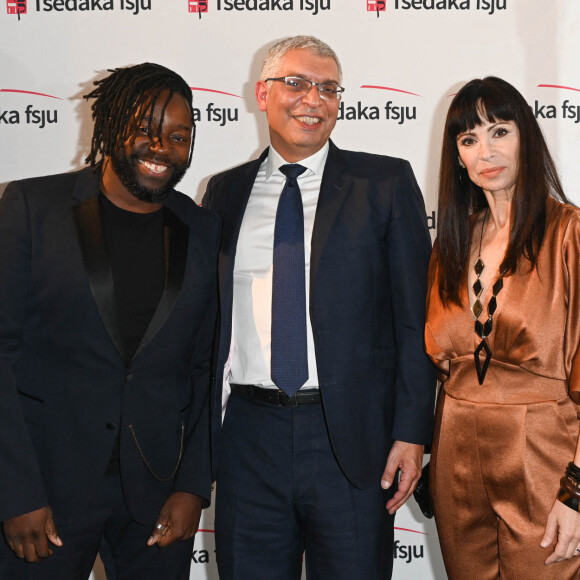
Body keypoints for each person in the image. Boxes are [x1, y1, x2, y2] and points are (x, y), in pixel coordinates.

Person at [202, 35, 436, 579]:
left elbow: (414, 321)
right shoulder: (224, 192)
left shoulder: (384, 182)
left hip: (352, 444)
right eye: (297, 83)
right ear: (262, 93)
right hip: (246, 439)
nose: (314, 98)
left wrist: (412, 432)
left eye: (328, 88)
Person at [0, 62, 219, 579]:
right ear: (111, 124)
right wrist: (15, 491)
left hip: (158, 493)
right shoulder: (33, 206)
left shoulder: (202, 228)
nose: (160, 146)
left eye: (178, 135)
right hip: (46, 492)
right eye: (144, 128)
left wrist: (193, 485)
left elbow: (207, 366)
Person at [425, 76, 580, 579]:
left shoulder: (569, 234)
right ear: (458, 158)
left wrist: (576, 491)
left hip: (544, 456)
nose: (485, 151)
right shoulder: (451, 242)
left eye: (499, 131)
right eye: (469, 139)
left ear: (526, 137)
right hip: (456, 461)